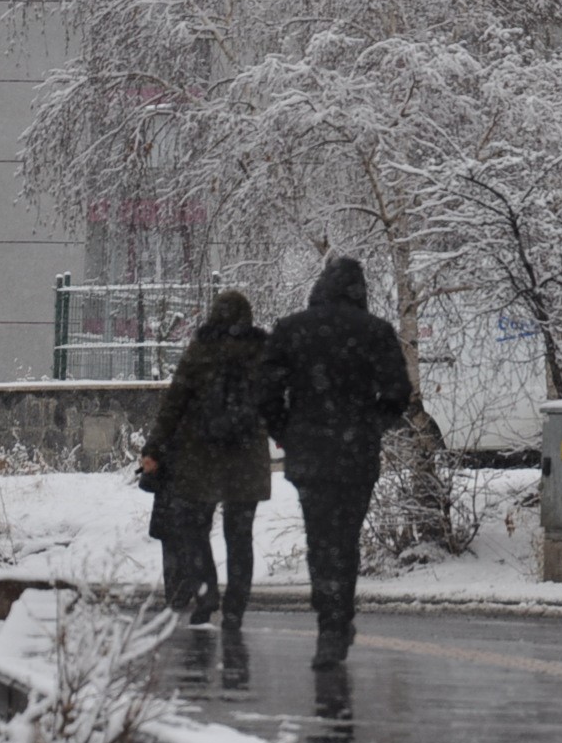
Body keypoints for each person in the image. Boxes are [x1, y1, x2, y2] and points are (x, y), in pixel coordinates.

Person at [257, 256, 412, 667]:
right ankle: (339, 618)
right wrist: (371, 425)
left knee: (319, 539)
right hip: (356, 455)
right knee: (345, 540)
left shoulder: (292, 330)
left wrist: (286, 431)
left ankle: (329, 622)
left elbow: (266, 393)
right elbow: (398, 393)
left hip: (309, 454)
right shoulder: (376, 333)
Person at [140, 290, 273, 631]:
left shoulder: (199, 352)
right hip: (246, 462)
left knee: (194, 530)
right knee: (239, 537)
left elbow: (174, 403)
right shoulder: (263, 352)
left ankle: (207, 592)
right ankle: (234, 609)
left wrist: (154, 449)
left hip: (202, 460)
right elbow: (277, 403)